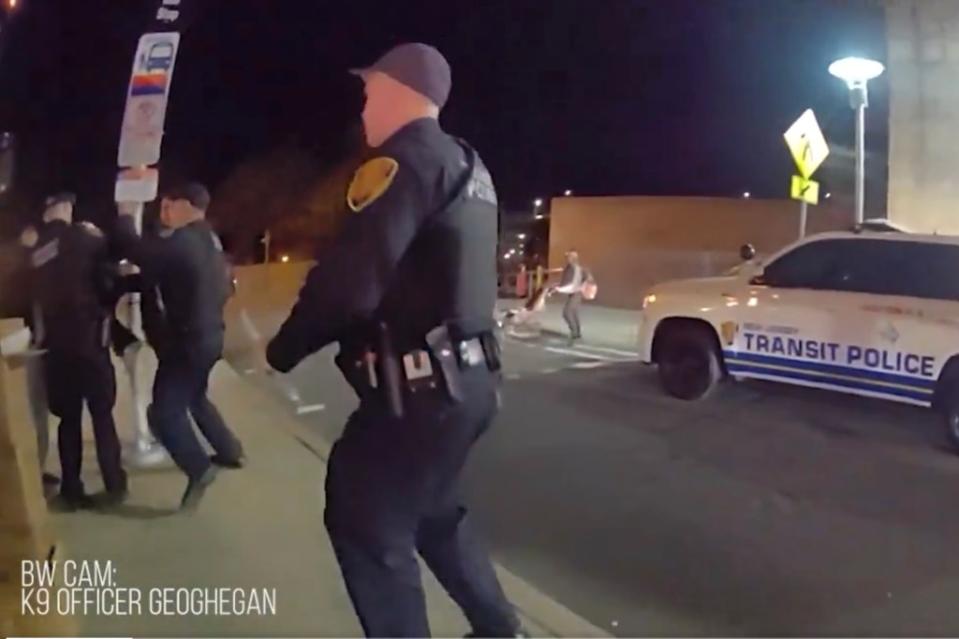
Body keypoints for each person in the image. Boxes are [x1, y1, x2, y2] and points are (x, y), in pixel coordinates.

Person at [267, 43, 523, 638]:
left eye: (369, 91)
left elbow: (347, 287)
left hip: (424, 392)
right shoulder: (469, 164)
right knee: (432, 512)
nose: (362, 106)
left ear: (396, 89)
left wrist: (280, 351)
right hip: (471, 382)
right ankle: (500, 630)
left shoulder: (402, 160)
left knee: (364, 515)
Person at [114, 183, 244, 511]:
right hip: (211, 335)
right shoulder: (208, 240)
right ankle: (229, 450)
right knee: (195, 395)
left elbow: (141, 252)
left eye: (168, 207)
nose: (164, 213)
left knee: (163, 413)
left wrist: (126, 218)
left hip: (188, 342)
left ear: (186, 205)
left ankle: (199, 469)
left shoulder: (183, 241)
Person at [29, 193, 127, 509]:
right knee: (102, 416)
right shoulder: (88, 238)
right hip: (91, 341)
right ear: (66, 210)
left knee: (67, 419)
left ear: (47, 214)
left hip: (56, 346)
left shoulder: (37, 249)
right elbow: (111, 276)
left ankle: (72, 488)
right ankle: (114, 485)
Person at [552, 249, 592, 343]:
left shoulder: (576, 268)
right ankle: (577, 333)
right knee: (573, 312)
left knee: (567, 312)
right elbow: (566, 281)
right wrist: (557, 286)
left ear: (574, 258)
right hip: (574, 293)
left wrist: (559, 289)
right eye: (567, 256)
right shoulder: (569, 268)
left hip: (576, 293)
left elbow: (573, 285)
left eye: (569, 256)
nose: (567, 258)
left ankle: (575, 332)